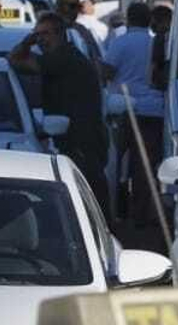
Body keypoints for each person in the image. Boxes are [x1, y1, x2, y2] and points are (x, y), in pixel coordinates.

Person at [9, 12, 111, 219]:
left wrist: (27, 42)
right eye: (38, 35)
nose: (41, 40)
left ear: (60, 34)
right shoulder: (58, 58)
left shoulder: (64, 58)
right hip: (74, 138)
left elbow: (16, 60)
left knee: (87, 195)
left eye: (45, 34)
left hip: (82, 140)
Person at [103, 2, 165, 226]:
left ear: (129, 19)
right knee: (144, 167)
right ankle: (139, 215)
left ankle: (112, 213)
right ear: (149, 20)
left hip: (124, 111)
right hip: (153, 113)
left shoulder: (120, 42)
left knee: (114, 164)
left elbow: (107, 71)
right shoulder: (155, 43)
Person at [149, 2, 173, 91]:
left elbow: (155, 63)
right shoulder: (177, 36)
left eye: (154, 22)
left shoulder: (160, 38)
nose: (151, 26)